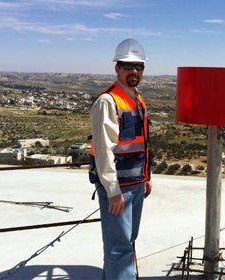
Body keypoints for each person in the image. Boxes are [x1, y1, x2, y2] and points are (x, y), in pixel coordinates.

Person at [89, 38, 153, 280]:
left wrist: (146, 177)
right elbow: (103, 149)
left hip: (136, 185)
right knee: (119, 249)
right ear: (117, 68)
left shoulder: (136, 99)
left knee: (128, 242)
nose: (134, 71)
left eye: (139, 66)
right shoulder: (108, 101)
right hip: (119, 190)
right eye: (128, 66)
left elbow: (143, 143)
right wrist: (113, 190)